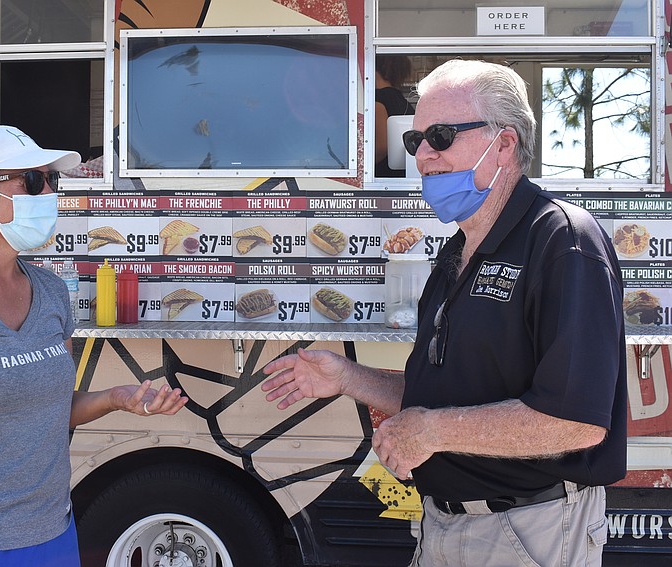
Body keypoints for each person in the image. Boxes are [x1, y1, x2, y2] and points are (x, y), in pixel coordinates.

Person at [263, 59, 626, 566]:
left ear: (504, 144)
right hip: (443, 526)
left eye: (441, 135)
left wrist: (431, 433)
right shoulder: (456, 254)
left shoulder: (563, 240)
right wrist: (348, 376)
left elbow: (577, 422)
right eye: (415, 142)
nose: (424, 155)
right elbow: (442, 395)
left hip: (528, 530)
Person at [0, 125, 188, 567]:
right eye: (31, 181)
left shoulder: (50, 291)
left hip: (52, 536)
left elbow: (48, 410)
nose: (48, 193)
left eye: (51, 181)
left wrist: (115, 399)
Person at [374, 55, 415, 178]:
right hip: (401, 173)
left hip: (382, 176)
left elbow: (381, 146)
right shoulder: (402, 101)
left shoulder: (378, 99)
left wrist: (362, 166)